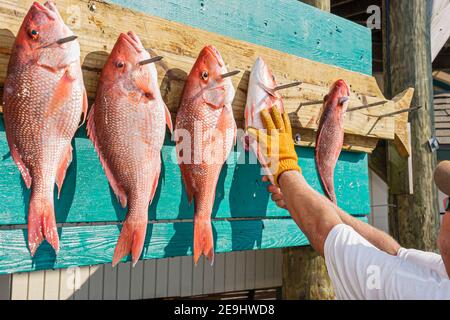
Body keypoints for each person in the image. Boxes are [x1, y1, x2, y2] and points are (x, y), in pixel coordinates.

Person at [247, 106, 450, 299]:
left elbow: (326, 231)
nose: (444, 205)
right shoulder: (443, 272)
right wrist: (302, 197)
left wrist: (284, 164)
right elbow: (395, 254)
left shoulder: (425, 292)